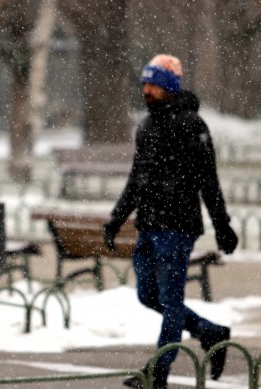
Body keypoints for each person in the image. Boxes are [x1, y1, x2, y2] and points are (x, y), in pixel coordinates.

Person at [103, 54, 238, 389]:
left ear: (170, 87)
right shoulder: (146, 127)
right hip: (148, 225)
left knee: (172, 301)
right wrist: (116, 219)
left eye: (154, 85)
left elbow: (209, 180)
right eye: (144, 84)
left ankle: (158, 373)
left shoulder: (191, 125)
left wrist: (222, 226)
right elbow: (136, 179)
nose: (146, 90)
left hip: (177, 227)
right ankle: (211, 332)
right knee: (148, 296)